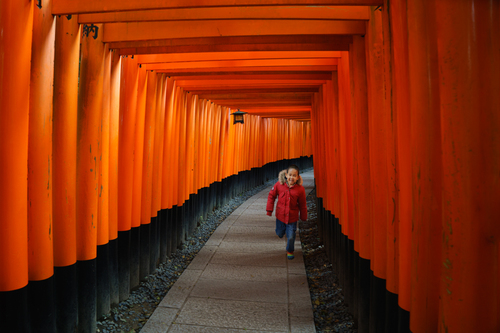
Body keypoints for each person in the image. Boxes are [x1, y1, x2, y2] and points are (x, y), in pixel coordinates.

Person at [266, 165, 307, 260]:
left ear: (298, 177)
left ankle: (290, 250)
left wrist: (303, 217)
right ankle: (280, 231)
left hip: (292, 218)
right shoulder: (279, 185)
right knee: (280, 233)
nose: (291, 177)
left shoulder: (300, 190)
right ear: (286, 175)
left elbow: (302, 204)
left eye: (294, 175)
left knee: (291, 236)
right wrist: (269, 210)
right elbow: (271, 196)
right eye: (290, 175)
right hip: (280, 216)